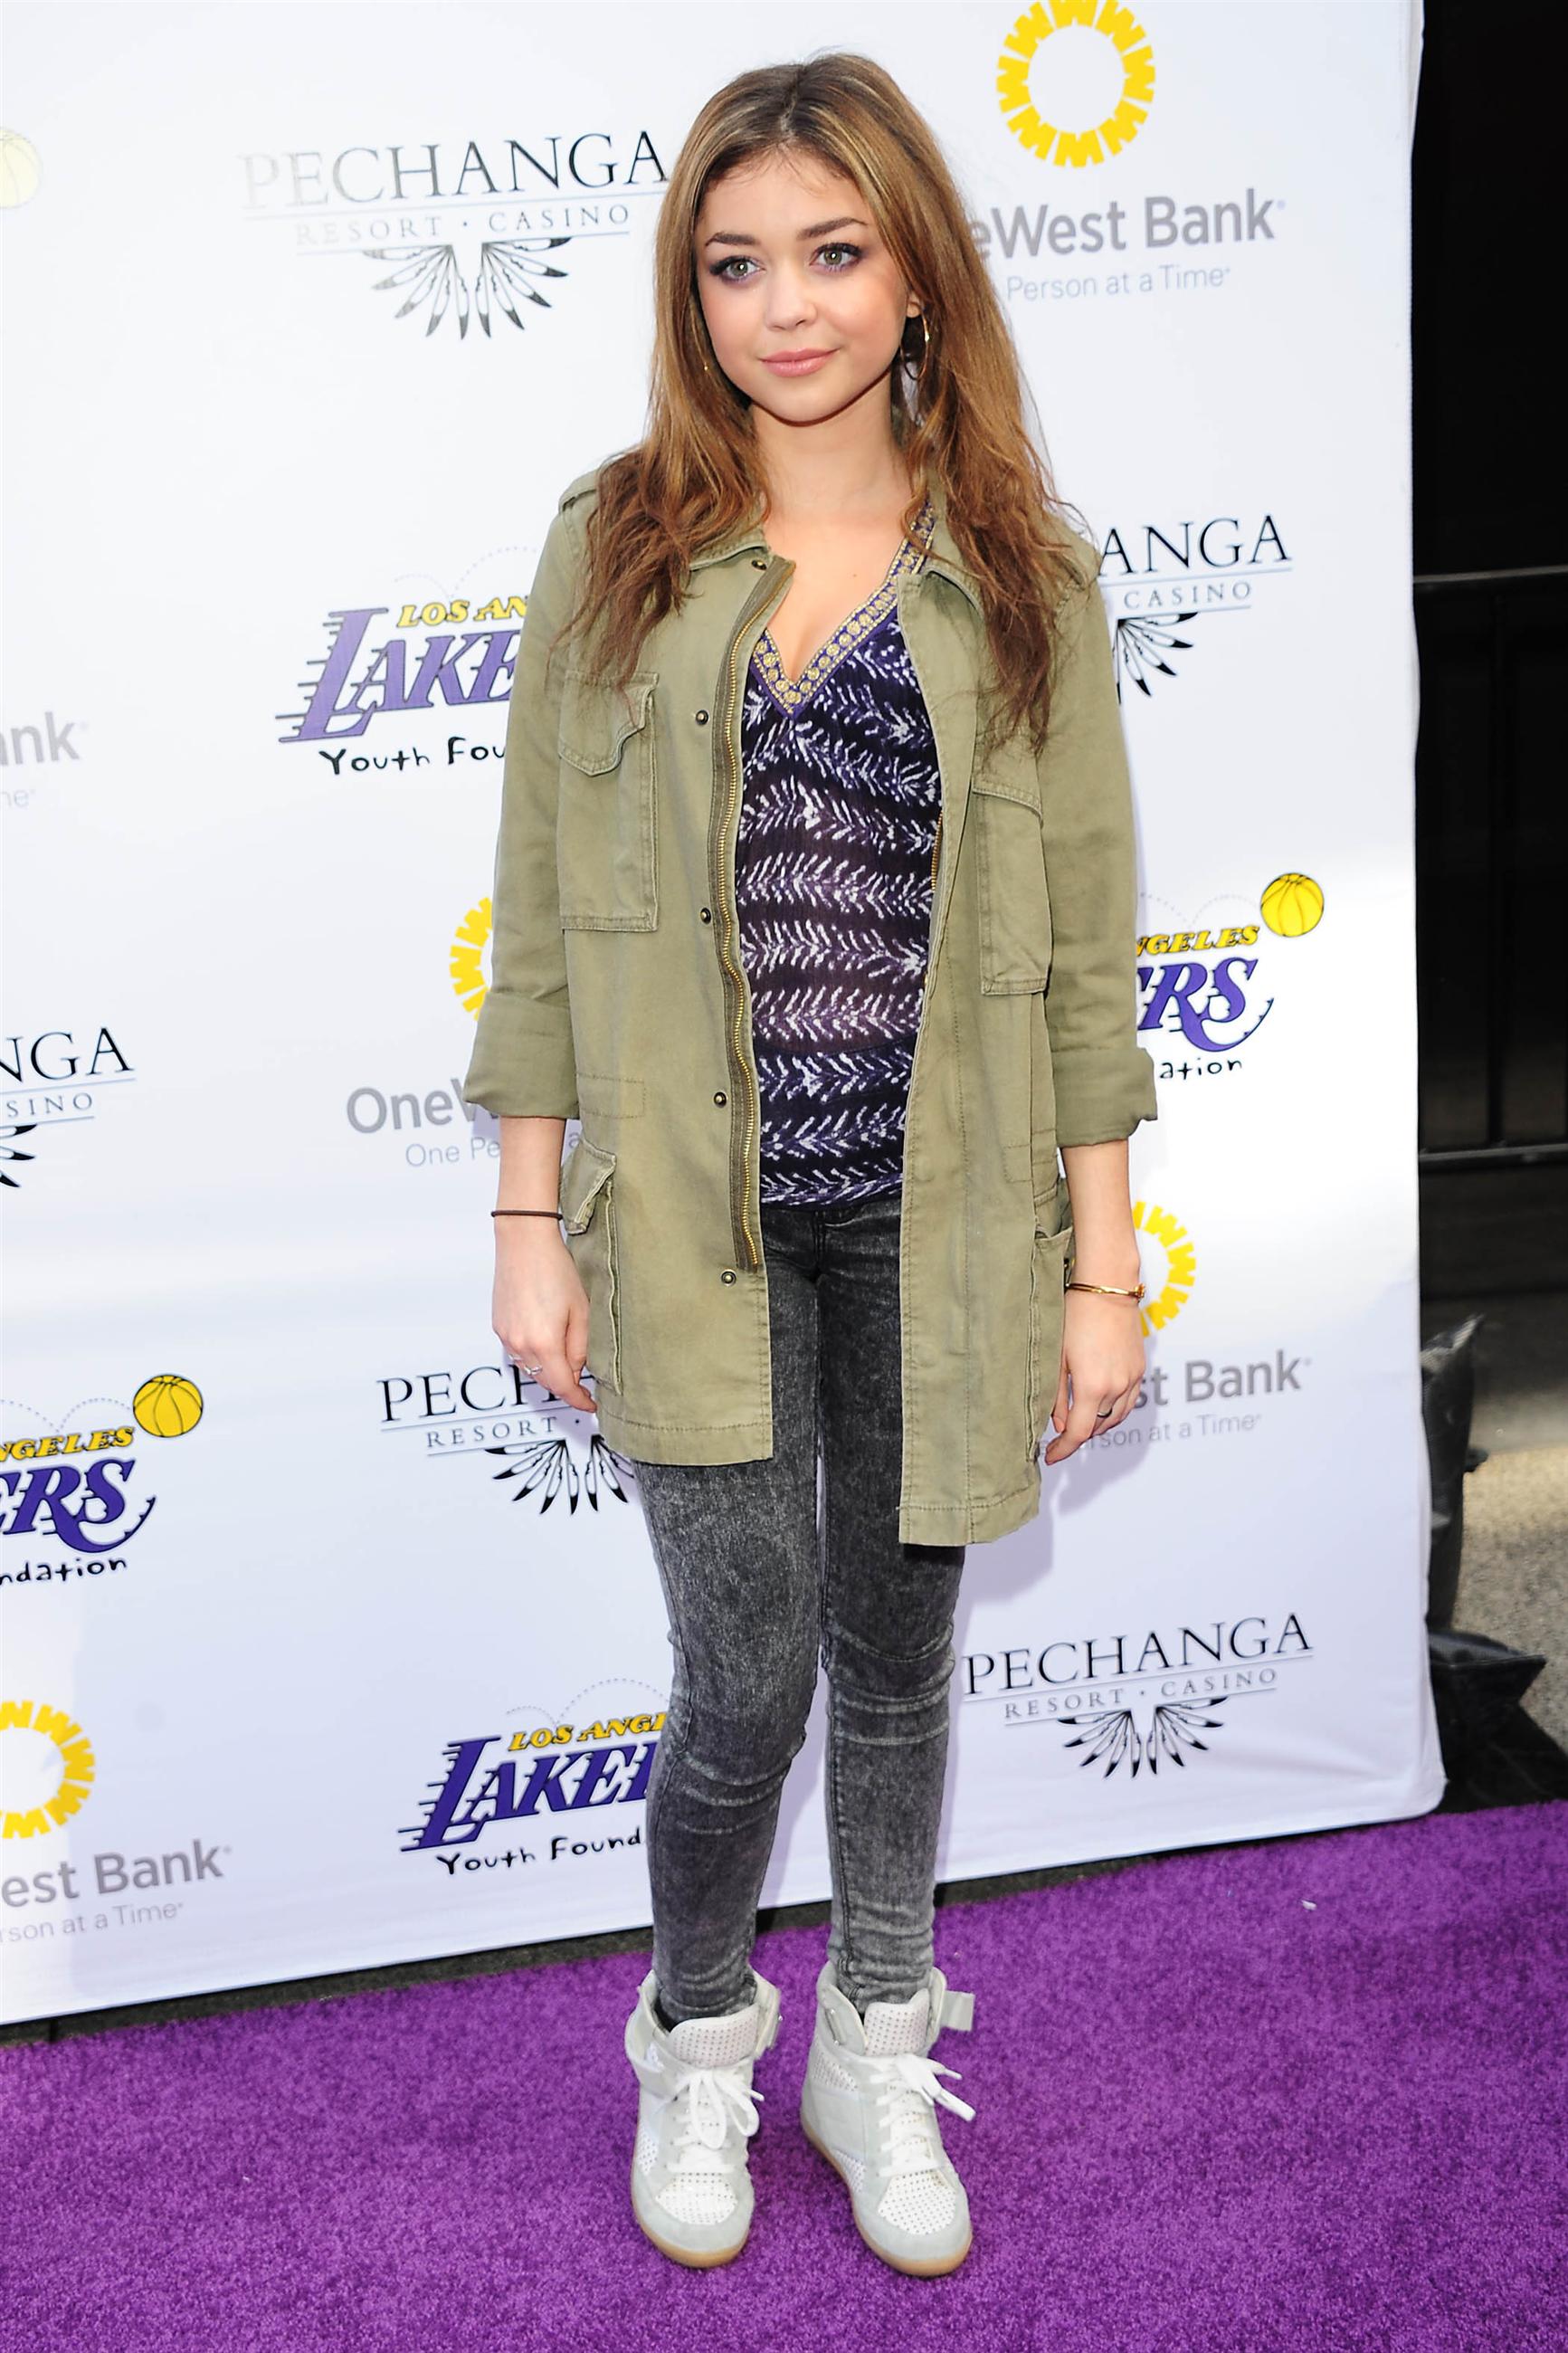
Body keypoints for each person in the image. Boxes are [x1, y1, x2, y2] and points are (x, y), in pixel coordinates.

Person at [461, 51, 1157, 2279]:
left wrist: (1104, 1269)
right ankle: (694, 2031)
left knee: (900, 1654)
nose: (787, 307)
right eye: (736, 264)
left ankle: (875, 2030)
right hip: (691, 1218)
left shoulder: (1024, 570)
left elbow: (1084, 954)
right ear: (691, 293)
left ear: (918, 272)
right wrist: (526, 1217)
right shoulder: (614, 544)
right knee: (748, 1673)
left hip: (944, 1220)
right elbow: (543, 919)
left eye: (836, 254)